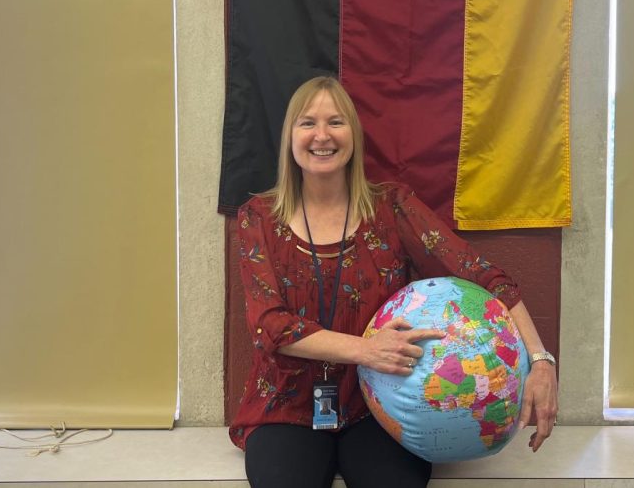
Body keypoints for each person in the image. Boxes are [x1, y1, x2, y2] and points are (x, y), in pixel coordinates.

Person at [230, 76, 558, 488]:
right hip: (286, 406)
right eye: (307, 123)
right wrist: (367, 350)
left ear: (355, 135)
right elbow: (269, 326)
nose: (322, 135)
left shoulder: (392, 207)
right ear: (289, 138)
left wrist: (540, 361)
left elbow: (482, 273)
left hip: (381, 405)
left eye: (336, 122)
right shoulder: (259, 218)